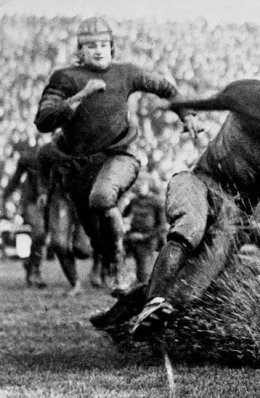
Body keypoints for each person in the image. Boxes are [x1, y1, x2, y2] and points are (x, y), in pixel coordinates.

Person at [128, 54, 260, 340]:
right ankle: (152, 303)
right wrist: (174, 106)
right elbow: (210, 102)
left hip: (236, 212)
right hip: (199, 181)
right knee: (190, 228)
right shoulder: (247, 93)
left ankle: (146, 315)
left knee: (190, 291)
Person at [33, 17, 200, 294]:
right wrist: (79, 97)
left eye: (103, 45)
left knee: (102, 198)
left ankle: (121, 268)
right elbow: (43, 120)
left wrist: (188, 116)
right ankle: (111, 263)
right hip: (78, 167)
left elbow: (165, 87)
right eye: (91, 46)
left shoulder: (126, 72)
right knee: (93, 240)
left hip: (118, 155)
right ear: (80, 52)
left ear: (112, 48)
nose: (98, 51)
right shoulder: (65, 78)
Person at [37, 136, 97, 296]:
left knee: (82, 249)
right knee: (59, 242)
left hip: (84, 195)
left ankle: (99, 269)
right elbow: (42, 172)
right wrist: (43, 192)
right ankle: (75, 283)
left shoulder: (90, 145)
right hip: (61, 195)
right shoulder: (48, 150)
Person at [1, 141, 47, 288]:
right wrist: (5, 196)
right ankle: (34, 269)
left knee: (45, 237)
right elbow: (16, 178)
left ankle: (31, 266)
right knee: (39, 233)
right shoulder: (29, 156)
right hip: (32, 200)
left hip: (54, 198)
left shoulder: (64, 146)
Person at [122, 176, 166, 287]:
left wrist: (144, 236)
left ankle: (143, 282)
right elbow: (124, 215)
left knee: (144, 275)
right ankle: (122, 279)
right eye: (138, 184)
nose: (140, 186)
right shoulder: (133, 201)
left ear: (149, 186)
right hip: (133, 235)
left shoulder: (156, 202)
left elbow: (161, 226)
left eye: (143, 184)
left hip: (148, 239)